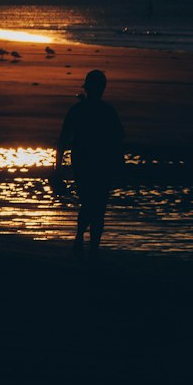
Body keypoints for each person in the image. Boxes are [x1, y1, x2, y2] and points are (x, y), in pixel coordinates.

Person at [54, 70, 124, 257]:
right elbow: (118, 140)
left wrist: (58, 168)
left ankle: (83, 242)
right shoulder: (106, 111)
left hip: (85, 162)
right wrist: (119, 165)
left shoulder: (79, 110)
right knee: (96, 205)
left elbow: (63, 140)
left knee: (90, 203)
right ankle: (89, 246)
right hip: (98, 164)